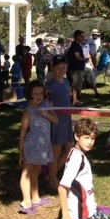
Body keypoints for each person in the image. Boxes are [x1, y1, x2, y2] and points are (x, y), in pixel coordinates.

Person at [58, 118, 110, 219]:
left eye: (92, 138)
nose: (90, 142)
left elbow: (83, 183)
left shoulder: (77, 153)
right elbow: (62, 187)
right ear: (77, 137)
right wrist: (66, 216)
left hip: (88, 208)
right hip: (83, 214)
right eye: (86, 138)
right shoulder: (76, 159)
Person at [18, 80, 58, 215]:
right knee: (27, 172)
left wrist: (45, 113)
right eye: (35, 93)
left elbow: (55, 120)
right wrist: (21, 153)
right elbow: (22, 133)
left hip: (43, 145)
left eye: (41, 93)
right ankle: (26, 201)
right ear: (30, 94)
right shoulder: (28, 111)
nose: (39, 96)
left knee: (36, 171)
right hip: (32, 145)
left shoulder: (45, 106)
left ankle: (35, 198)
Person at [46, 54, 74, 190]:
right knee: (56, 150)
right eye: (58, 68)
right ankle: (52, 179)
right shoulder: (50, 85)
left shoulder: (67, 82)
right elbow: (44, 101)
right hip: (56, 120)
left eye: (63, 67)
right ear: (52, 68)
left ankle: (52, 173)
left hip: (67, 119)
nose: (61, 70)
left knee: (70, 148)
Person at [68, 30, 88, 106]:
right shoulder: (76, 45)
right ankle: (75, 100)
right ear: (77, 37)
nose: (84, 37)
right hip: (76, 68)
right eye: (82, 36)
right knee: (76, 85)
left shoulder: (76, 45)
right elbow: (77, 56)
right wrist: (85, 59)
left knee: (77, 84)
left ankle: (76, 99)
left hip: (77, 68)